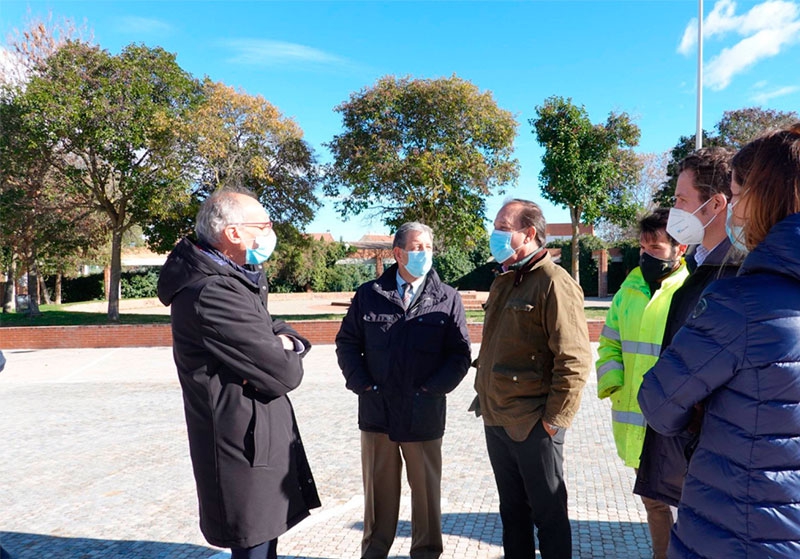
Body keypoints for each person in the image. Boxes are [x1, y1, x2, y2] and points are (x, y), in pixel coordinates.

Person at [638, 124, 800, 558]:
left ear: (761, 199)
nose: (736, 211)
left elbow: (658, 400)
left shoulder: (740, 301)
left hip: (737, 530)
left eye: (738, 194)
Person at [157, 188, 320, 559]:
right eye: (262, 225)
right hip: (240, 449)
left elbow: (271, 329)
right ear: (232, 233)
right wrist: (284, 346)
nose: (269, 232)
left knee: (265, 542)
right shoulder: (211, 291)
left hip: (257, 440)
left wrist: (284, 339)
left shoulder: (235, 277)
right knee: (253, 548)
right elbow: (281, 373)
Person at [335, 221, 471, 559]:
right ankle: (375, 550)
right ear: (398, 253)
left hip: (423, 412)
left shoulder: (448, 297)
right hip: (377, 410)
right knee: (378, 492)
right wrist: (363, 384)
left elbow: (460, 354)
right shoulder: (369, 294)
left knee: (426, 492)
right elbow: (348, 343)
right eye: (417, 247)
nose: (424, 253)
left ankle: (426, 551)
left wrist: (432, 390)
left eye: (428, 247)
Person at [471, 198, 592, 559]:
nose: (495, 235)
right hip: (497, 419)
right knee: (512, 515)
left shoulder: (555, 283)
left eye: (502, 228)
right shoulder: (505, 281)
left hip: (534, 424)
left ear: (528, 233)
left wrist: (554, 422)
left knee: (549, 517)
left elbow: (574, 360)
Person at [634, 148, 742, 510]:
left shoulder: (734, 278)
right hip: (691, 464)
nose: (675, 210)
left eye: (682, 199)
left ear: (715, 205)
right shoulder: (701, 268)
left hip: (714, 472)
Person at [596, 208, 688, 559]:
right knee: (653, 500)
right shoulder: (627, 290)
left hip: (678, 420)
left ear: (679, 249)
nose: (648, 254)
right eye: (643, 247)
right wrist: (614, 382)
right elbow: (609, 343)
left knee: (686, 500)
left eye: (657, 247)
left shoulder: (690, 290)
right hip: (636, 415)